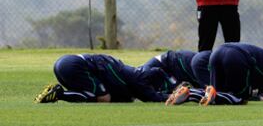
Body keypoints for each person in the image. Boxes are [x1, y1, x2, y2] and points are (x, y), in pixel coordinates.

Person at [34, 54, 170, 103]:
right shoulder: (139, 80)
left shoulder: (135, 74)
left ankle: (58, 93)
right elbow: (153, 95)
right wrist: (169, 95)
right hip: (78, 64)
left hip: (63, 62)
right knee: (103, 98)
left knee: (90, 94)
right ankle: (60, 94)